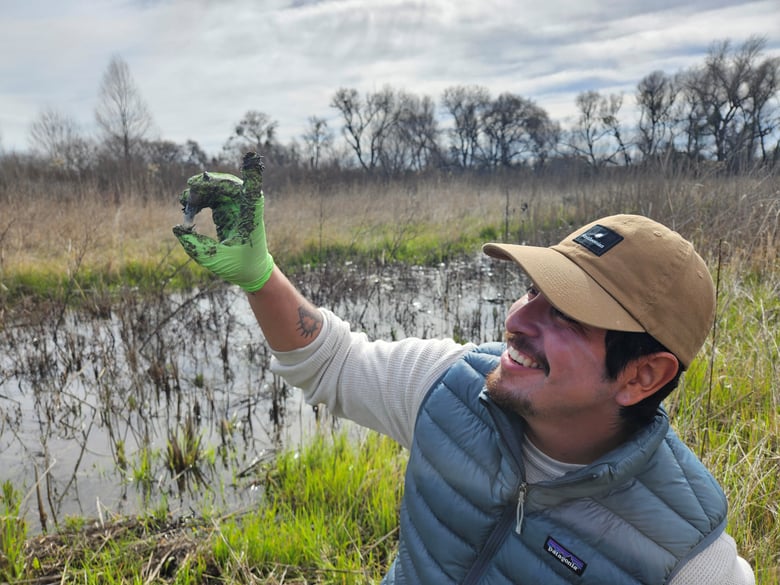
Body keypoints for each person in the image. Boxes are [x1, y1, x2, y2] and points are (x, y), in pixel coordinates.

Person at [174, 153, 755, 584]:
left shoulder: (688, 558)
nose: (518, 320)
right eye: (532, 290)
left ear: (642, 376)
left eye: (569, 316)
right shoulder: (451, 387)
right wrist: (259, 276)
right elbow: (335, 364)